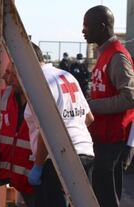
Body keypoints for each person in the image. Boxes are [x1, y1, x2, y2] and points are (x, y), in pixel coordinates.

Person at [25, 43, 95, 207]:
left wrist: (38, 165)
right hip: (85, 152)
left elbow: (46, 131)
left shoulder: (39, 82)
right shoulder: (66, 76)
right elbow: (89, 117)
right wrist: (72, 132)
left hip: (58, 159)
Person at [83, 5, 134, 207]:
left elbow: (129, 98)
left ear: (102, 27)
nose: (83, 30)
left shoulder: (117, 56)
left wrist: (92, 106)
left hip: (113, 140)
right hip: (102, 138)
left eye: (87, 26)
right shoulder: (104, 54)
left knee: (107, 198)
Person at [0, 63, 36, 207]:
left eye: (10, 74)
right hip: (2, 168)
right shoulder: (5, 96)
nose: (4, 77)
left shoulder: (41, 102)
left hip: (30, 177)